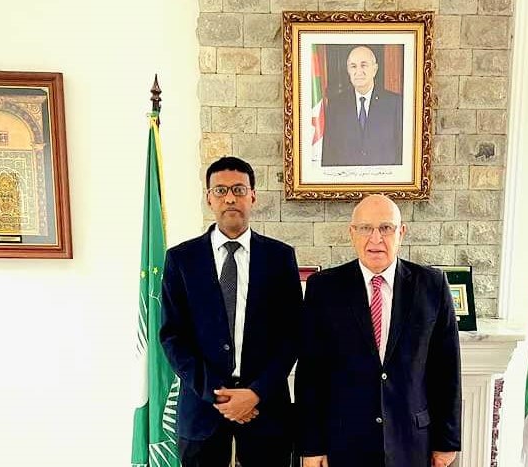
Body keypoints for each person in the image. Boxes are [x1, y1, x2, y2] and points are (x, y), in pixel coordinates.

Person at [296, 194, 461, 467]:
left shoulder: (432, 286)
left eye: (386, 228)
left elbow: (447, 371)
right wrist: (312, 447)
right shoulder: (323, 288)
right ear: (352, 233)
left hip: (412, 442)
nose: (376, 239)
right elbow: (311, 374)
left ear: (401, 232)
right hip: (344, 442)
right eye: (365, 228)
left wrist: (446, 442)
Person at [160, 156, 303, 467]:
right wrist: (218, 394)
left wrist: (256, 393)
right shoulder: (181, 260)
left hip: (266, 410)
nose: (230, 198)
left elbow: (292, 335)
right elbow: (173, 337)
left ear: (253, 196)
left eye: (239, 189)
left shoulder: (279, 258)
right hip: (202, 410)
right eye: (221, 190)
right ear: (209, 198)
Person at [321, 45, 403, 166]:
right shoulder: (336, 105)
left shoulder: (395, 103)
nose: (358, 71)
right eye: (353, 66)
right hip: (347, 177)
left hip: (383, 177)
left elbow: (401, 151)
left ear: (375, 69)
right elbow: (329, 152)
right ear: (348, 70)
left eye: (364, 65)